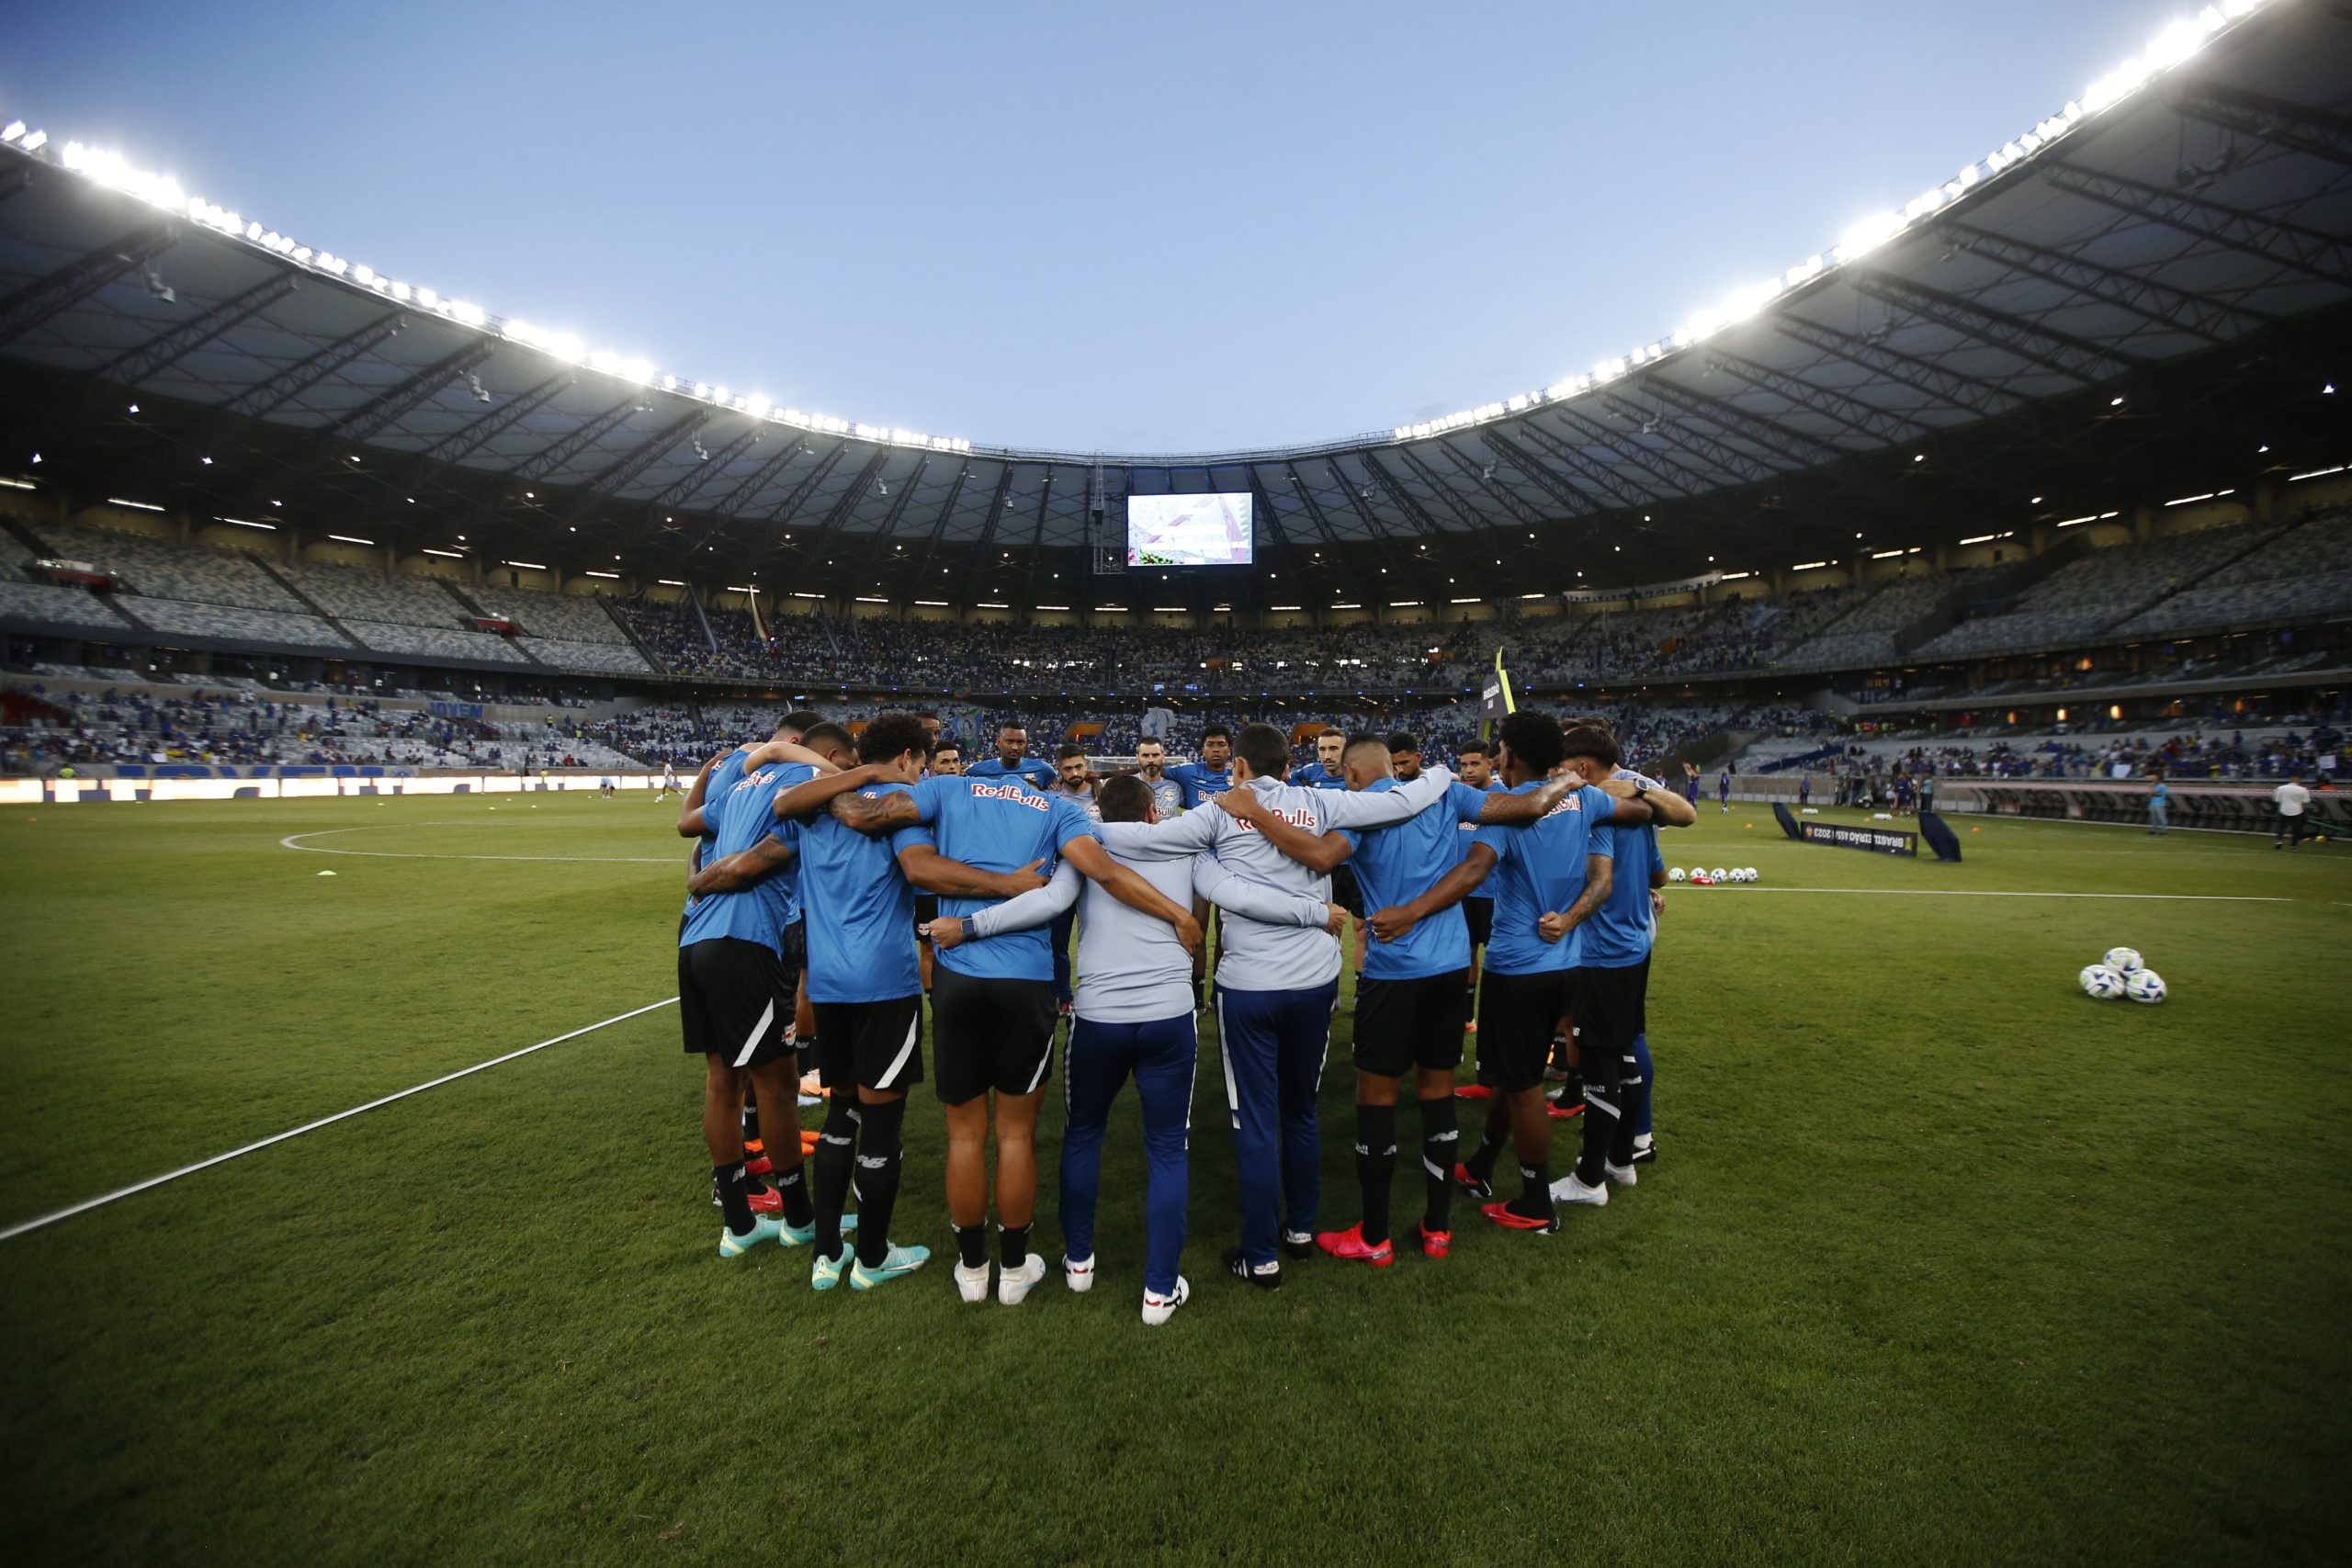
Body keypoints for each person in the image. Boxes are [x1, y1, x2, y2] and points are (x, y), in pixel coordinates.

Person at [1100, 722, 1582, 1288]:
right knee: (1354, 1102)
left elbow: (1152, 839)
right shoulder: (1353, 798)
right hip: (1371, 975)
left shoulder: (1260, 811)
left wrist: (1075, 825)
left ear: (1240, 770)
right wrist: (1472, 780)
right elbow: (1452, 807)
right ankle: (1367, 1228)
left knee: (1291, 1112)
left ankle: (1308, 1247)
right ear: (1288, 767)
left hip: (1307, 976)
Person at [797, 750, 1204, 1306]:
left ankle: (971, 1270)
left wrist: (850, 777)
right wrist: (1180, 916)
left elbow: (863, 817)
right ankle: (1013, 1271)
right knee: (1015, 1134)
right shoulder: (1058, 809)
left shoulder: (946, 790)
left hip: (958, 977)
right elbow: (1103, 872)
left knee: (964, 1135)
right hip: (1026, 981)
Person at [934, 773, 1340, 1325]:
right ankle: (1158, 1289)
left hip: (1100, 1018)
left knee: (1084, 1135)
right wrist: (1317, 914)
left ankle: (1078, 1263)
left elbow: (1046, 902)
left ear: (1100, 811)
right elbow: (1242, 896)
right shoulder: (1189, 851)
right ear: (1154, 813)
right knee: (1168, 1147)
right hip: (1168, 1017)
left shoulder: (1086, 847)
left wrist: (970, 926)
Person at [693, 716, 989, 1292]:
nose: (926, 773)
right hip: (884, 981)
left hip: (826, 985)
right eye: (925, 763)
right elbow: (922, 868)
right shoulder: (901, 808)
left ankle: (827, 1255)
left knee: (840, 1117)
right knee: (882, 1125)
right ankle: (873, 1259)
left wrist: (702, 882)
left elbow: (754, 857)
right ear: (907, 758)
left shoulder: (813, 813)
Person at [1238, 733, 1528, 1267]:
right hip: (1450, 969)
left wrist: (1254, 813)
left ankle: (1374, 1236)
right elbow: (1521, 805)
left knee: (1377, 1098)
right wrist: (1572, 784)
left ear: (1349, 776)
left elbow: (1321, 857)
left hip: (1394, 973)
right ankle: (1438, 1228)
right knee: (1437, 1092)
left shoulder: (1360, 813)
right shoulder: (1444, 792)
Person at [1451, 712, 1655, 1234]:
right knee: (1509, 1074)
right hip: (1570, 963)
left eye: (1498, 750)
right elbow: (1615, 855)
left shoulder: (1510, 815)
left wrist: (1412, 912)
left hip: (1517, 967)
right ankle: (1480, 1165)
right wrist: (1568, 919)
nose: (1495, 757)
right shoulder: (1588, 802)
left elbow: (1474, 871)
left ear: (1510, 757)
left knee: (1521, 1086)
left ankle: (1537, 1203)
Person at [674, 740, 822, 1258]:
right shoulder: (802, 786)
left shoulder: (737, 786)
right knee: (777, 1086)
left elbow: (687, 824)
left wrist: (710, 770)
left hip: (694, 942)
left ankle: (738, 1223)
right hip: (746, 944)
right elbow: (746, 867)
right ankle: (801, 1219)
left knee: (723, 1081)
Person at [1552, 724, 1689, 1200]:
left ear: (1583, 767)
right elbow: (1659, 874)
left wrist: (1566, 919)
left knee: (1599, 1061)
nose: (1560, 776)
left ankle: (1589, 1178)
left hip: (1600, 949)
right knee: (1627, 1048)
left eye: (1564, 768)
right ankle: (1624, 1157)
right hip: (1635, 944)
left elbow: (1599, 882)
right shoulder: (1639, 806)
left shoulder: (1599, 808)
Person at [1454, 739, 1500, 1032]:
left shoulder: (1503, 796)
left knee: (1497, 958)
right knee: (1466, 954)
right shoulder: (1458, 797)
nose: (1468, 770)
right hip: (1462, 892)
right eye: (1464, 764)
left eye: (1475, 764)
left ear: (1490, 764)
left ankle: (1496, 1019)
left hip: (1496, 894)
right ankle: (1467, 1016)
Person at [968, 722, 1057, 792]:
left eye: (1020, 742)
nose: (1015, 747)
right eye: (1009, 741)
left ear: (1026, 744)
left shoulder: (1043, 769)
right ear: (998, 742)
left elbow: (1058, 787)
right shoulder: (977, 771)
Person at [1131, 737, 1184, 819]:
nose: (1151, 760)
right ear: (1137, 758)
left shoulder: (1176, 788)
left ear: (1163, 757)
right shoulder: (1127, 786)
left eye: (1155, 755)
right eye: (1145, 755)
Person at [2274, 773, 2312, 849]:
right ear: (2299, 781)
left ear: (2290, 780)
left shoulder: (2281, 788)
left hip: (2284, 810)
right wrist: (2298, 800)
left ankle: (2279, 841)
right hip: (2297, 811)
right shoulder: (2303, 789)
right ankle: (2293, 845)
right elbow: (2306, 800)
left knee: (2282, 828)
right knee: (2296, 829)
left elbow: (2277, 799)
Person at [2147, 771, 2169, 836]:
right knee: (2154, 818)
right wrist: (2152, 791)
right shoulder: (2157, 786)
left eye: (2155, 779)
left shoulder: (2162, 786)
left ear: (2160, 780)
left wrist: (2151, 787)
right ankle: (2153, 830)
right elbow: (2150, 795)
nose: (2154, 780)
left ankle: (2164, 831)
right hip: (2153, 803)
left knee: (2162, 818)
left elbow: (2152, 793)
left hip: (2159, 804)